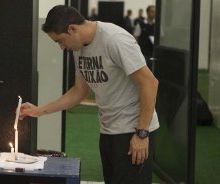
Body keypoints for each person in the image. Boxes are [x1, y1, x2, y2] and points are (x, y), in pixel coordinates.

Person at [19, 5, 159, 184]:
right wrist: (40, 110)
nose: (62, 47)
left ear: (72, 29)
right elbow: (80, 91)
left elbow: (150, 83)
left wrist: (141, 133)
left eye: (61, 41)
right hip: (109, 131)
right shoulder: (79, 48)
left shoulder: (115, 39)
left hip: (133, 131)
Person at [134, 5, 155, 70]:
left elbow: (161, 37)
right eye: (152, 11)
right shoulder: (141, 24)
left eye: (155, 12)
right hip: (143, 53)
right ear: (147, 12)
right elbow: (135, 37)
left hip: (153, 53)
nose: (154, 13)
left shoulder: (157, 25)